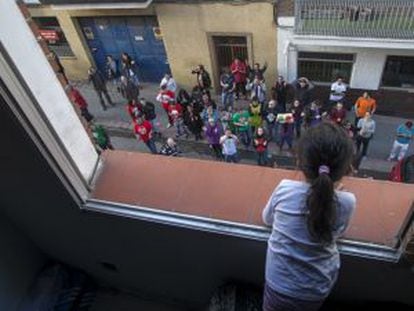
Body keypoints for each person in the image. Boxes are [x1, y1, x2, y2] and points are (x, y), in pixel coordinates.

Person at [262, 122, 355, 311]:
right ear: (346, 168)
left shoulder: (285, 189)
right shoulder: (347, 201)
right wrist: (333, 193)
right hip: (317, 287)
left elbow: (266, 219)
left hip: (278, 281)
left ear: (299, 162)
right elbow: (338, 233)